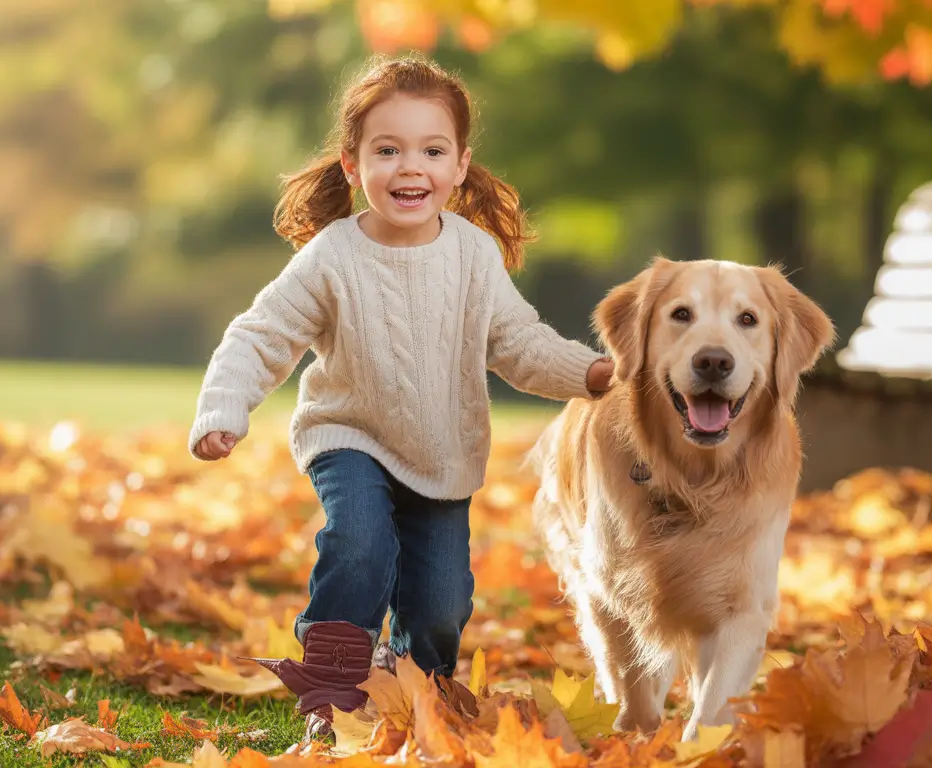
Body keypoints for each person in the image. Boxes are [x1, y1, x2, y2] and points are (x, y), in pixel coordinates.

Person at [187, 53, 614, 739]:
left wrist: (591, 374)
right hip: (349, 436)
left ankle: (413, 690)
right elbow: (260, 334)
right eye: (387, 150)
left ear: (460, 165)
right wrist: (223, 407)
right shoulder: (332, 256)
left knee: (441, 603)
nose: (410, 167)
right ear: (353, 165)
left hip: (443, 455)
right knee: (359, 543)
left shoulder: (473, 255)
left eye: (431, 151)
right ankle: (333, 691)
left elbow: (519, 343)